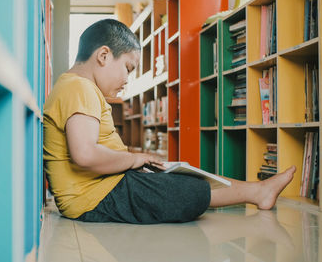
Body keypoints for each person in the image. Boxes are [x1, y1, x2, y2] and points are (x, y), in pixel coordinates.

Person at [43, 19, 296, 224]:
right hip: (94, 197)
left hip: (100, 189)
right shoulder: (80, 88)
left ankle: (258, 190)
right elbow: (85, 155)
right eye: (129, 68)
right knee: (187, 189)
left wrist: (132, 163)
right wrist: (134, 159)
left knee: (183, 177)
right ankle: (257, 192)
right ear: (104, 55)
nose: (127, 79)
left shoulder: (75, 87)